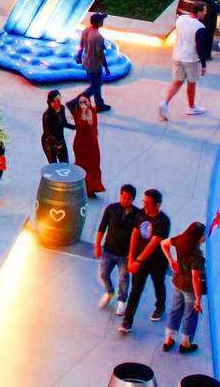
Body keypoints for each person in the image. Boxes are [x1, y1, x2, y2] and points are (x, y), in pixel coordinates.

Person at [119, 188, 172, 333]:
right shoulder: (141, 213)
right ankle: (127, 321)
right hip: (139, 260)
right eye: (144, 202)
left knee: (158, 284)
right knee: (135, 290)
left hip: (157, 262)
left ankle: (160, 307)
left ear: (157, 204)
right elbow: (135, 234)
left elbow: (153, 243)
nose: (146, 206)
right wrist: (131, 257)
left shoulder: (164, 221)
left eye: (149, 203)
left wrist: (138, 261)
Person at [161, 220, 208, 352]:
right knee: (190, 315)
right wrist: (198, 300)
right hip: (189, 288)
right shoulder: (197, 255)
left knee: (175, 310)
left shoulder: (180, 240)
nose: (205, 237)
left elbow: (163, 244)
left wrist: (171, 261)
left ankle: (168, 340)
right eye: (203, 235)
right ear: (197, 237)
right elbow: (196, 278)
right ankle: (185, 343)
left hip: (177, 282)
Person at [158, 0, 206, 120]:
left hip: (177, 55)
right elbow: (200, 47)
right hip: (191, 58)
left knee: (178, 81)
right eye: (204, 11)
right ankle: (191, 107)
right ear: (199, 12)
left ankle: (165, 102)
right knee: (192, 82)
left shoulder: (181, 19)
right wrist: (203, 65)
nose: (205, 14)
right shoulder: (200, 27)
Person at [95, 184, 137, 316]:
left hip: (125, 254)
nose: (125, 200)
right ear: (120, 195)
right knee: (102, 274)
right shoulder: (111, 209)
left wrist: (132, 255)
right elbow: (102, 227)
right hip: (108, 250)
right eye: (123, 197)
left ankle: (121, 301)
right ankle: (109, 291)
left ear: (133, 199)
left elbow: (137, 236)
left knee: (124, 278)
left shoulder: (137, 215)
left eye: (128, 199)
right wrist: (97, 245)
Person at [69, 93, 104, 197]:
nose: (83, 104)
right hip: (81, 144)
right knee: (82, 165)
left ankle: (93, 187)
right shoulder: (77, 113)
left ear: (89, 101)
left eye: (85, 101)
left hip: (93, 143)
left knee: (94, 165)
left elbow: (94, 125)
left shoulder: (93, 111)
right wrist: (83, 112)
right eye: (81, 102)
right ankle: (81, 186)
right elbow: (81, 126)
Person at [78, 11, 113, 111]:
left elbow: (81, 45)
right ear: (98, 23)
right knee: (96, 85)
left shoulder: (86, 30)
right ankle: (80, 100)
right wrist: (106, 67)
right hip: (95, 66)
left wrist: (79, 56)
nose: (103, 21)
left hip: (87, 62)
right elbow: (100, 54)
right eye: (102, 20)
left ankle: (100, 105)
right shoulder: (98, 37)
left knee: (96, 84)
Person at [41, 89, 70, 165]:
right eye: (54, 102)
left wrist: (77, 127)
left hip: (60, 139)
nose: (57, 103)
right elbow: (47, 134)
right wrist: (58, 143)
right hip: (48, 142)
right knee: (54, 166)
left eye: (58, 101)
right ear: (50, 103)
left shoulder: (62, 108)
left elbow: (64, 123)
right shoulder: (46, 115)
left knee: (65, 165)